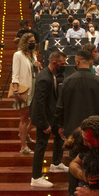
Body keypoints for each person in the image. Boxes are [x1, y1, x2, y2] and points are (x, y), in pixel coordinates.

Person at [56, 46, 99, 196]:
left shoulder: (68, 81)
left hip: (73, 129)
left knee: (74, 160)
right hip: (93, 131)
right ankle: (87, 193)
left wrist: (61, 126)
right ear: (91, 61)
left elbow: (60, 107)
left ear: (77, 60)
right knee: (92, 160)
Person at [30, 51, 68, 188]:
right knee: (41, 145)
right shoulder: (44, 78)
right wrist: (44, 123)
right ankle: (36, 176)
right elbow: (39, 103)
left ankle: (56, 163)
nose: (64, 66)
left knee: (59, 136)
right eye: (62, 64)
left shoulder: (52, 75)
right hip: (43, 117)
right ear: (54, 63)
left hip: (51, 115)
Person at [12, 32, 40, 155]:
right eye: (30, 42)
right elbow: (15, 73)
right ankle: (23, 146)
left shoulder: (33, 55)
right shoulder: (18, 55)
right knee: (24, 117)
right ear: (25, 42)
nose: (32, 43)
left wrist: (38, 66)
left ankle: (25, 133)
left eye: (33, 41)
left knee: (36, 116)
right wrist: (15, 89)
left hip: (35, 86)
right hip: (25, 87)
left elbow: (36, 71)